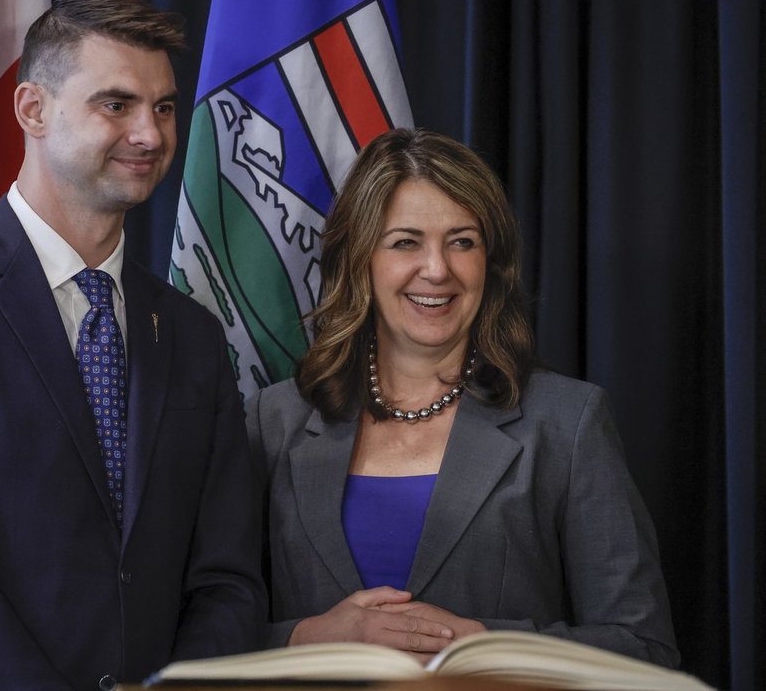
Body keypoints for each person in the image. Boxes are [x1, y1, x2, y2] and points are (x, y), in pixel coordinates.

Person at [0, 0, 265, 690]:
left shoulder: (192, 334)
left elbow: (227, 580)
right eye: (116, 104)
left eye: (163, 107)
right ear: (33, 109)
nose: (152, 134)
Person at [246, 128, 680, 667]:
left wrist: (482, 645)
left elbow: (645, 650)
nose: (438, 269)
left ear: (490, 261)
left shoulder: (568, 422)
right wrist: (309, 637)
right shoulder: (271, 421)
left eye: (462, 241)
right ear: (359, 259)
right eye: (406, 242)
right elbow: (196, 631)